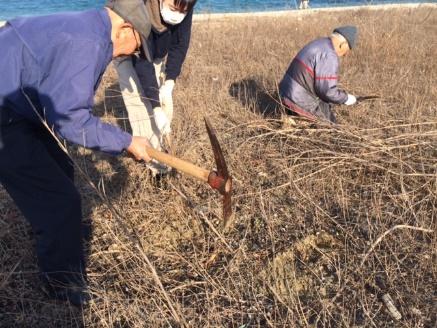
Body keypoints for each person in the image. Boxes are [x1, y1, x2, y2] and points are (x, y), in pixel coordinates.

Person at [0, 0, 156, 307]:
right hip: (5, 116)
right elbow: (71, 120)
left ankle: (57, 235)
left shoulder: (88, 24)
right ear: (125, 28)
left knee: (60, 167)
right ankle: (60, 283)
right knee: (61, 200)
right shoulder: (88, 42)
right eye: (135, 47)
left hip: (19, 102)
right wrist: (127, 142)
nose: (129, 55)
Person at [112, 0, 197, 175]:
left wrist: (169, 83)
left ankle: (160, 151)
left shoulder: (184, 3)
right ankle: (153, 167)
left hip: (155, 50)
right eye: (173, 9)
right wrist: (155, 106)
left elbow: (180, 45)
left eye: (183, 11)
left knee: (161, 102)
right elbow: (143, 61)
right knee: (141, 103)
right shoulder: (137, 5)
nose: (177, 15)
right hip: (127, 47)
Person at [279, 26, 358, 123]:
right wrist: (346, 99)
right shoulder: (329, 55)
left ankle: (291, 122)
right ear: (343, 44)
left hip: (285, 92)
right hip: (297, 99)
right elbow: (327, 91)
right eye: (348, 49)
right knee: (332, 128)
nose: (346, 54)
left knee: (325, 109)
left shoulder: (321, 44)